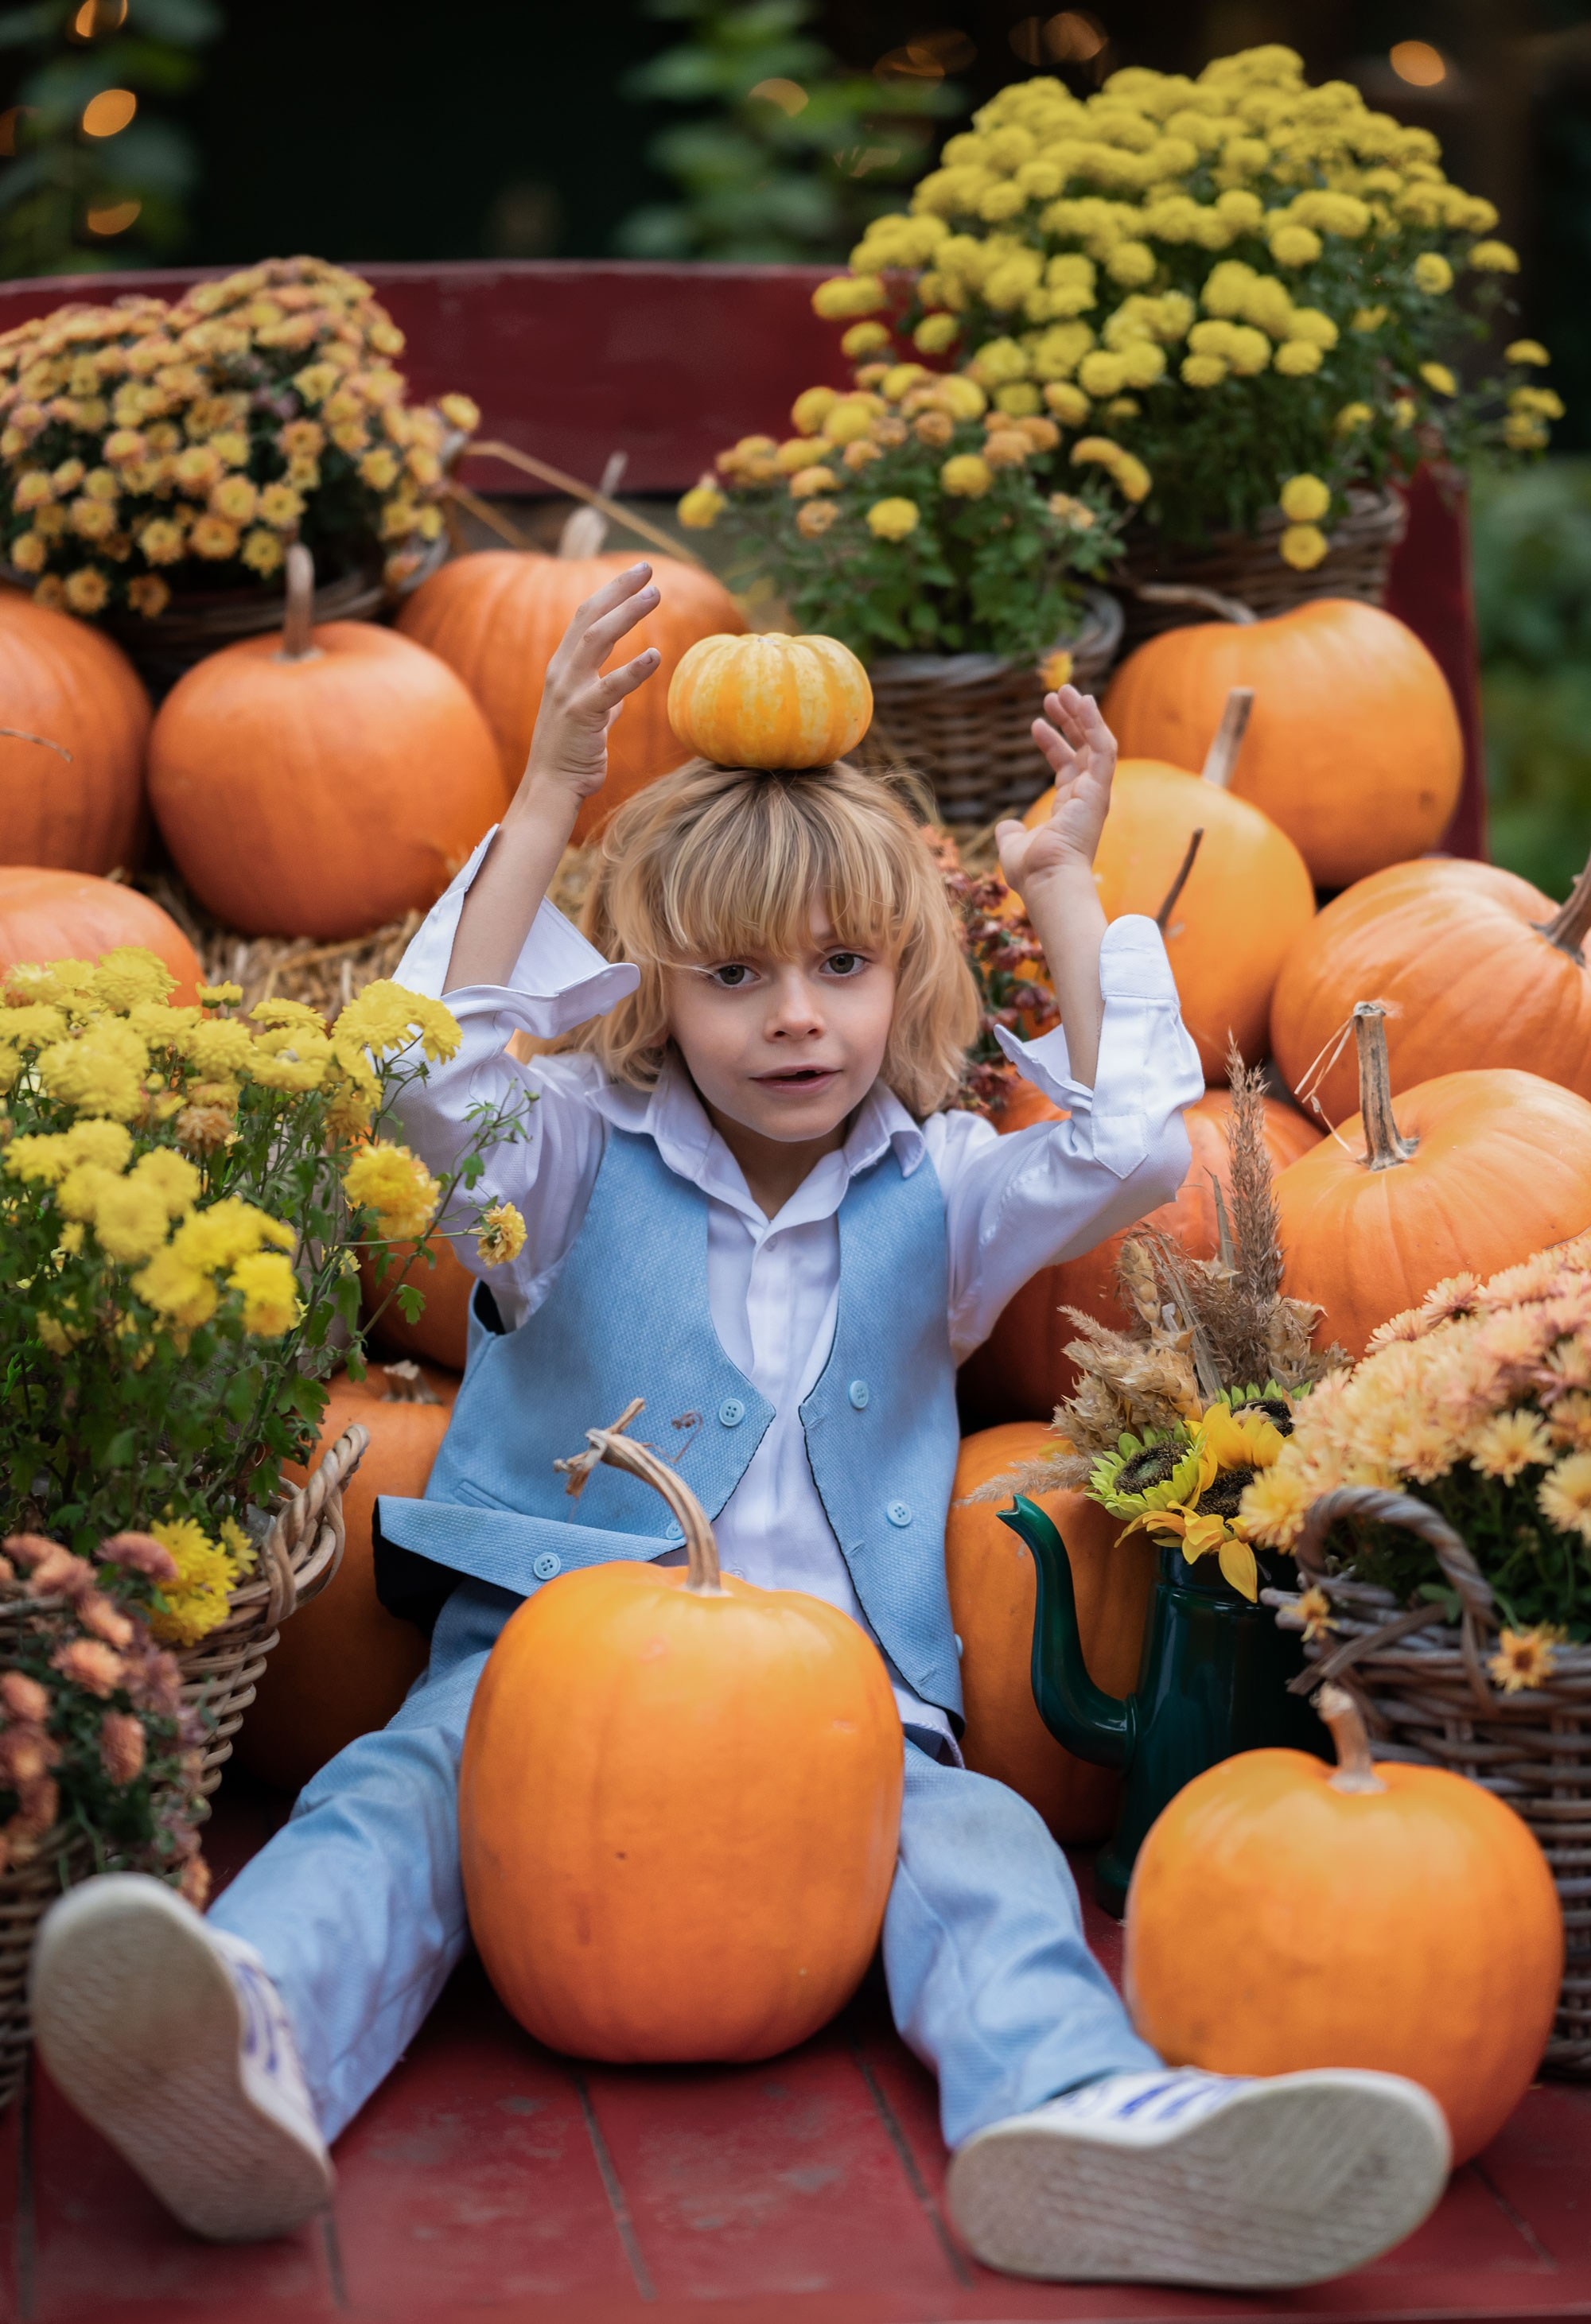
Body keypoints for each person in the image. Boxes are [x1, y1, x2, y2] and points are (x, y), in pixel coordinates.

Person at [31, 565, 1450, 2286]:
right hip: (555, 1665)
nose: (796, 1015)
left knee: (986, 1858)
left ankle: (1080, 2120)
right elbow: (430, 1078)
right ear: (653, 986)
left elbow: (1136, 1155)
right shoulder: (559, 1163)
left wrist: (1066, 885)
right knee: (396, 1796)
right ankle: (245, 2040)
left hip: (839, 1707)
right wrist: (550, 793)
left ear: (901, 975)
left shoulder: (937, 1193)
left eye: (842, 968)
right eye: (736, 976)